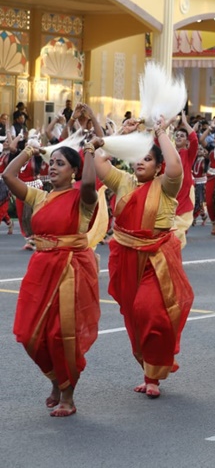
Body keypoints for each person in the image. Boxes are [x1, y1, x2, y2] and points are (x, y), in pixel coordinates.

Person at [92, 118, 194, 398]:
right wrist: (120, 135)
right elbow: (99, 162)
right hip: (126, 258)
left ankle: (154, 374)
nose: (140, 162)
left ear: (157, 166)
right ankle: (149, 371)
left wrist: (160, 131)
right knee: (134, 317)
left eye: (147, 159)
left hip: (157, 259)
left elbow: (175, 166)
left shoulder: (167, 185)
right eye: (137, 158)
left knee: (148, 311)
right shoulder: (124, 181)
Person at [3, 143, 99, 417]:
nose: (53, 167)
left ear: (74, 172)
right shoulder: (40, 197)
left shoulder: (83, 198)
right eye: (52, 162)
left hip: (70, 270)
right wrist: (30, 151)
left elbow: (90, 182)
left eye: (61, 163)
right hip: (40, 270)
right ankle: (56, 380)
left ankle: (67, 395)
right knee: (28, 333)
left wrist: (90, 150)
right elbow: (9, 177)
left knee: (61, 334)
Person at [173, 112, 199, 247]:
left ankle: (174, 256)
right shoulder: (169, 152)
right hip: (169, 193)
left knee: (178, 231)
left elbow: (195, 140)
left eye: (182, 136)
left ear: (186, 142)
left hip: (184, 194)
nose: (178, 137)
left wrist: (185, 124)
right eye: (176, 135)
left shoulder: (188, 154)